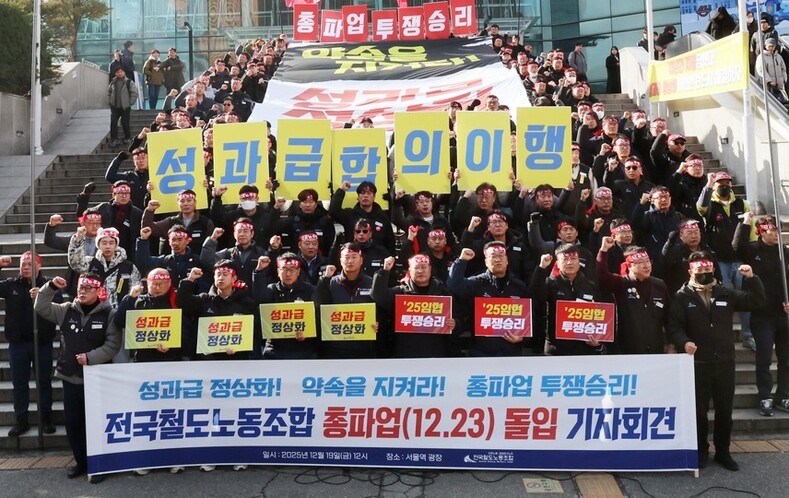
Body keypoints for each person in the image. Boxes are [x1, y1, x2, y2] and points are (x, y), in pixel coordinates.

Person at [669, 252, 765, 472]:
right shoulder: (682, 296)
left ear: (713, 269)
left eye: (707, 269)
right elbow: (675, 327)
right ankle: (701, 451)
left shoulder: (725, 292)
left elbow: (756, 301)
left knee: (724, 411)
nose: (704, 273)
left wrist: (752, 278)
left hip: (724, 362)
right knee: (699, 412)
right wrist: (684, 342)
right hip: (697, 364)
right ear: (690, 271)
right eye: (699, 270)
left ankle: (723, 452)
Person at [34, 272, 120, 483]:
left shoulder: (109, 314)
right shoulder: (66, 310)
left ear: (98, 290)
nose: (82, 291)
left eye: (88, 288)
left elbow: (112, 345)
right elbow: (41, 307)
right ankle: (81, 462)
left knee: (96, 424)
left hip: (96, 379)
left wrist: (90, 358)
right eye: (80, 287)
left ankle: (98, 464)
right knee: (73, 424)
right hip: (70, 378)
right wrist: (51, 286)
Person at [733, 214, 789, 417]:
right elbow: (738, 246)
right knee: (764, 359)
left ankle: (783, 395)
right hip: (762, 315)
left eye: (778, 230)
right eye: (773, 230)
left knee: (786, 359)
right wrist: (746, 222)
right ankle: (765, 396)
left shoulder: (784, 252)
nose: (777, 234)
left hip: (783, 314)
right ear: (762, 232)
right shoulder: (753, 250)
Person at [0, 253, 58, 436]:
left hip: (42, 343)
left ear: (39, 266)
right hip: (18, 344)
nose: (25, 267)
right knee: (19, 383)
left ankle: (46, 419)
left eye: (30, 264)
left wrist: (43, 296)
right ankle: (21, 420)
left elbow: (60, 304)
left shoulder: (48, 284)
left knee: (44, 382)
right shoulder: (11, 284)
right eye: (23, 264)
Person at [447, 242, 528, 357]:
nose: (497, 260)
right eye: (493, 256)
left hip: (512, 351)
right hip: (481, 352)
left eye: (501, 256)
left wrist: (522, 337)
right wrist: (461, 261)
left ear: (507, 260)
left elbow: (530, 317)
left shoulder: (519, 286)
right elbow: (454, 286)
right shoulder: (477, 283)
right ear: (486, 262)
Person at [371, 255, 457, 358]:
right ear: (409, 270)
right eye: (416, 268)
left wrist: (455, 324)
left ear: (430, 269)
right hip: (404, 353)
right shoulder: (400, 292)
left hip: (437, 352)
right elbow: (379, 296)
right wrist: (385, 271)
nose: (420, 271)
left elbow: (459, 316)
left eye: (423, 267)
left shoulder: (443, 293)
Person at [597, 239, 670, 354]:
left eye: (648, 261)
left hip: (656, 350)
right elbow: (601, 275)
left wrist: (670, 343)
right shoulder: (620, 283)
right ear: (629, 266)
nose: (646, 266)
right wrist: (604, 250)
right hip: (627, 351)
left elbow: (669, 317)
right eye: (640, 262)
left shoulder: (660, 285)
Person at [312, 243, 379, 359]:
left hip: (363, 345)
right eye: (346, 257)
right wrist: (325, 279)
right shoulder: (330, 282)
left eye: (354, 257)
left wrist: (377, 322)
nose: (350, 261)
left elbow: (380, 308)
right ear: (340, 261)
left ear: (361, 260)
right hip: (334, 346)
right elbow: (317, 304)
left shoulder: (371, 283)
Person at [252, 253, 317, 359]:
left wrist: (308, 336)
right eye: (284, 269)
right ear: (278, 271)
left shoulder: (310, 290)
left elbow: (317, 318)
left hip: (303, 348)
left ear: (298, 272)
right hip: (274, 348)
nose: (288, 274)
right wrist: (259, 271)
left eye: (292, 270)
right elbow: (259, 298)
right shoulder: (272, 289)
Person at [108, 67, 137, 147]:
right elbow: (109, 92)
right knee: (113, 123)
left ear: (124, 72)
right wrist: (110, 101)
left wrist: (130, 103)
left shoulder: (129, 82)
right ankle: (114, 140)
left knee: (125, 122)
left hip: (125, 106)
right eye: (118, 72)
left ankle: (127, 138)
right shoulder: (113, 82)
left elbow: (134, 93)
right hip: (115, 106)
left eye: (121, 71)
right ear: (115, 73)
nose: (120, 73)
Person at [755, 38, 788, 104]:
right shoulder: (761, 57)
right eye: (769, 46)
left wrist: (784, 79)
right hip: (769, 85)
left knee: (782, 102)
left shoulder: (778, 56)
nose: (771, 48)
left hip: (779, 85)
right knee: (772, 102)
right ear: (765, 46)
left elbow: (783, 68)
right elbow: (761, 70)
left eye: (773, 46)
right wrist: (769, 81)